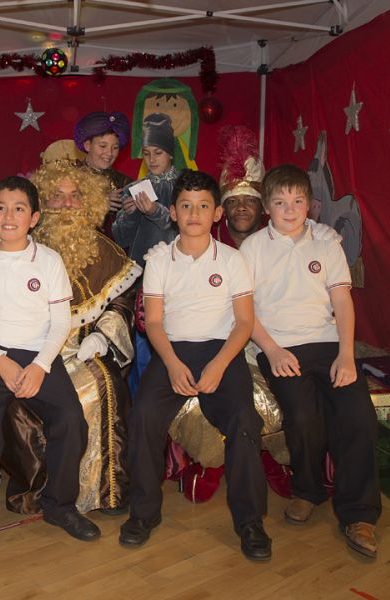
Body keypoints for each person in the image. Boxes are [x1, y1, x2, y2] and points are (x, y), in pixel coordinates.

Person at [0, 176, 99, 575]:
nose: (8, 216)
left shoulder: (48, 260)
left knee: (71, 419)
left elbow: (60, 322)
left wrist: (39, 366)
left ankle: (60, 506)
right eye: (0, 207)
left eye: (19, 209)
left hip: (38, 355)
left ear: (34, 218)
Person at [121, 170, 271, 562]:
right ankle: (143, 512)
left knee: (244, 421)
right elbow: (154, 323)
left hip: (222, 351)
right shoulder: (159, 260)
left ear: (217, 213)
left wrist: (220, 365)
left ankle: (250, 521)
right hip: (172, 351)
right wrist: (171, 364)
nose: (194, 213)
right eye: (186, 206)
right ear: (173, 212)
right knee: (143, 417)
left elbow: (244, 322)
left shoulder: (233, 260)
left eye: (203, 206)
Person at [241, 164, 381, 558]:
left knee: (358, 416)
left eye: (298, 201)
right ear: (266, 207)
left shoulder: (326, 242)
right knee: (302, 415)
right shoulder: (253, 249)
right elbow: (244, 310)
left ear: (310, 204)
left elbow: (342, 301)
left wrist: (347, 355)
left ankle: (359, 515)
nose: (290, 210)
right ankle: (307, 490)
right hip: (279, 345)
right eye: (280, 202)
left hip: (328, 343)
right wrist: (271, 350)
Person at [2, 160, 141, 515]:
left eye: (75, 196)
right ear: (41, 205)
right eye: (57, 196)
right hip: (31, 350)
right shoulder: (22, 247)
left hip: (83, 348)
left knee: (105, 383)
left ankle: (104, 492)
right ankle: (38, 491)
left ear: (87, 201)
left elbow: (122, 301)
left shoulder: (105, 249)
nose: (66, 204)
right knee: (16, 400)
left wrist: (104, 337)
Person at [112, 112, 179, 269]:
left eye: (158, 152)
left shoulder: (185, 185)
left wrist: (156, 211)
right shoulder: (133, 189)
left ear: (170, 154)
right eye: (146, 153)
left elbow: (189, 227)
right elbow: (121, 240)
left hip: (178, 268)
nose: (152, 160)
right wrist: (130, 216)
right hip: (142, 271)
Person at [73, 111, 132, 236]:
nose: (109, 153)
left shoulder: (124, 183)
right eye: (103, 146)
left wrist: (135, 212)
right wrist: (99, 205)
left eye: (115, 148)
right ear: (87, 145)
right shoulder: (70, 178)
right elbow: (61, 218)